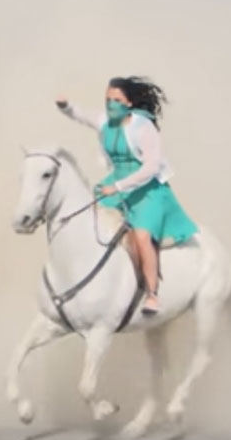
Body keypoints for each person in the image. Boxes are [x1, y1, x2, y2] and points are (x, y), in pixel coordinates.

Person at [56, 76, 198, 315]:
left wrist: (118, 187)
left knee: (142, 236)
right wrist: (65, 106)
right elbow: (81, 115)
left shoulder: (143, 128)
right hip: (116, 182)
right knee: (89, 219)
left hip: (147, 189)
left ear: (129, 103)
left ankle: (152, 294)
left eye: (117, 100)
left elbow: (151, 167)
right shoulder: (104, 121)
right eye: (108, 100)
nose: (111, 105)